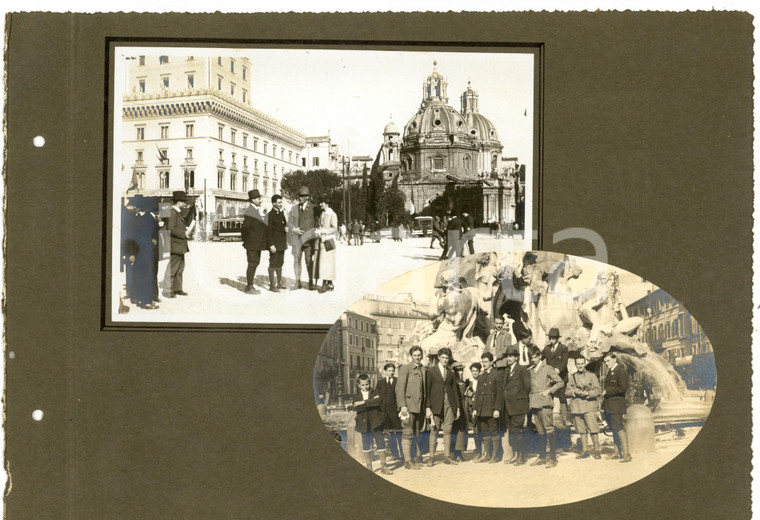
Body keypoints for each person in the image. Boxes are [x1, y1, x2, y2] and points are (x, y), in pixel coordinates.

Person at [424, 347, 462, 466]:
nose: (445, 360)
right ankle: (431, 457)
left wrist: (458, 408)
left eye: (447, 358)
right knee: (434, 431)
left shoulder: (451, 372)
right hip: (436, 405)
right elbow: (427, 390)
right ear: (439, 357)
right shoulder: (431, 371)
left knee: (448, 430)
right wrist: (428, 407)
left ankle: (446, 456)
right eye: (443, 357)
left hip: (449, 404)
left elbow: (455, 390)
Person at [528, 345, 564, 468]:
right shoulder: (531, 370)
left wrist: (549, 391)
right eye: (530, 357)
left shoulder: (548, 368)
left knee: (549, 430)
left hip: (545, 403)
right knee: (540, 431)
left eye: (534, 357)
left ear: (539, 356)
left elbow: (560, 382)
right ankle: (542, 457)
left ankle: (553, 458)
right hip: (535, 404)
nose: (532, 360)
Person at [352, 374, 393, 475]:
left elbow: (378, 402)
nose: (365, 386)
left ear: (370, 383)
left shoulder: (375, 392)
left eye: (367, 384)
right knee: (366, 444)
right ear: (358, 385)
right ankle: (368, 466)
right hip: (364, 423)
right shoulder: (356, 396)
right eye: (363, 385)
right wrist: (370, 403)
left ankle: (384, 466)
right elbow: (357, 408)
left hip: (376, 422)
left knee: (380, 442)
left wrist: (363, 402)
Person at [498, 345, 531, 465]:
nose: (509, 358)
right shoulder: (506, 370)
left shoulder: (522, 370)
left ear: (516, 357)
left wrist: (520, 399)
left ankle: (521, 456)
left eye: (511, 356)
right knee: (512, 432)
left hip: (518, 406)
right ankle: (516, 455)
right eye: (507, 356)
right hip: (508, 407)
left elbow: (527, 387)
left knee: (518, 432)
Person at [566, 352, 602, 460]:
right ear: (576, 365)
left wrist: (588, 393)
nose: (580, 366)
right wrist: (574, 391)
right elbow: (567, 391)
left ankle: (597, 450)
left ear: (585, 363)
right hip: (577, 407)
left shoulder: (591, 375)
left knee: (593, 428)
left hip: (589, 405)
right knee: (581, 430)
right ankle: (585, 450)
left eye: (582, 363)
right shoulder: (572, 376)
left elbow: (598, 390)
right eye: (578, 364)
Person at [395, 345, 426, 470]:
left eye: (419, 355)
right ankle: (407, 461)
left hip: (420, 407)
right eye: (415, 355)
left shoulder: (424, 369)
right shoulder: (405, 368)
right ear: (411, 356)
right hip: (408, 406)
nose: (417, 357)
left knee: (417, 433)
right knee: (407, 433)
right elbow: (399, 389)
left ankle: (415, 459)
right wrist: (402, 405)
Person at [128, 195, 161, 309]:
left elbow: (155, 232)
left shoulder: (146, 218)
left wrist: (154, 239)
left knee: (145, 276)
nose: (134, 208)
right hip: (142, 252)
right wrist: (132, 253)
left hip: (146, 251)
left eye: (136, 206)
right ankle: (144, 301)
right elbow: (132, 237)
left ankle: (144, 300)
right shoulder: (138, 218)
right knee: (143, 276)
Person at [471, 351, 501, 463]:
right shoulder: (481, 376)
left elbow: (499, 393)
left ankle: (495, 455)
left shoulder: (497, 374)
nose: (484, 364)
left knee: (494, 431)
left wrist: (497, 409)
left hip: (492, 409)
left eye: (486, 362)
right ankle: (487, 454)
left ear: (491, 362)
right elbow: (478, 393)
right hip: (481, 409)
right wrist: (475, 409)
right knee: (485, 432)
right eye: (482, 362)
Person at [602, 351, 632, 462]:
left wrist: (607, 391)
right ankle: (617, 453)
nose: (606, 363)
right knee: (614, 428)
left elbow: (623, 388)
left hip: (616, 405)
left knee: (618, 427)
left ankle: (627, 454)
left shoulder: (620, 371)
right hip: (610, 405)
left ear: (614, 359)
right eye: (605, 362)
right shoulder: (612, 371)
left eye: (608, 361)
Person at [241, 189, 272, 295]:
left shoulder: (255, 210)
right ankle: (249, 286)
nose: (260, 200)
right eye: (259, 198)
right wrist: (248, 240)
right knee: (252, 263)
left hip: (255, 243)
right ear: (253, 200)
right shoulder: (250, 211)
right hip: (252, 244)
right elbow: (245, 228)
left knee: (254, 263)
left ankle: (250, 285)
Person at [542, 327, 572, 429]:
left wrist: (557, 371)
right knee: (549, 397)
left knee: (562, 398)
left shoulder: (563, 348)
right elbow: (540, 358)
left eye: (554, 338)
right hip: (550, 378)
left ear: (557, 338)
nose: (552, 340)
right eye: (550, 338)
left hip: (561, 377)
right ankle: (548, 420)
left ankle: (565, 420)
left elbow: (564, 362)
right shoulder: (546, 348)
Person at [289, 186, 317, 290]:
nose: (300, 198)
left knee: (309, 262)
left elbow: (317, 224)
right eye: (299, 196)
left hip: (309, 241)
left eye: (302, 196)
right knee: (296, 261)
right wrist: (294, 229)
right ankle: (298, 282)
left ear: (307, 197)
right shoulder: (294, 208)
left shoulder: (314, 208)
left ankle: (311, 281)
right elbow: (290, 222)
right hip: (297, 241)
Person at [375, 363, 402, 463]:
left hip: (395, 412)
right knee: (390, 434)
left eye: (392, 371)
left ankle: (403, 455)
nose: (391, 372)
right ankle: (394, 454)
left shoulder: (398, 381)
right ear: (385, 371)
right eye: (389, 370)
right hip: (385, 413)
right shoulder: (380, 383)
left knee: (399, 433)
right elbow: (377, 396)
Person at [166, 190, 190, 298]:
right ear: (178, 202)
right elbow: (170, 229)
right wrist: (183, 233)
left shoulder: (177, 212)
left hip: (179, 245)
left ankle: (177, 289)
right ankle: (168, 290)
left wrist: (185, 230)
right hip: (175, 245)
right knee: (172, 268)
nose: (185, 204)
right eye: (184, 202)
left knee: (180, 268)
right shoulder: (172, 212)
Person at [315, 200, 338, 293]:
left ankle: (325, 284)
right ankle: (330, 283)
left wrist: (322, 231)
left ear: (327, 204)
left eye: (322, 203)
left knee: (326, 263)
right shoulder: (322, 214)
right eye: (320, 202)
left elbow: (334, 228)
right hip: (322, 240)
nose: (320, 204)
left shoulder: (332, 214)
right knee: (324, 262)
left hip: (329, 241)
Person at [267, 194, 288, 291]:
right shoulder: (270, 215)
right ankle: (272, 285)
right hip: (274, 244)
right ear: (273, 203)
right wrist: (271, 244)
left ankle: (279, 282)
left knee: (280, 262)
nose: (280, 204)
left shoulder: (281, 213)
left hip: (282, 244)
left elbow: (284, 224)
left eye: (281, 202)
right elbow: (268, 231)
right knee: (273, 263)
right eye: (279, 202)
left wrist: (286, 228)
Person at [450, 362, 468, 462]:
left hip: (463, 409)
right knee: (456, 431)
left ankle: (459, 452)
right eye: (458, 371)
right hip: (456, 409)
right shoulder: (454, 383)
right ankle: (455, 453)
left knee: (462, 431)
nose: (460, 373)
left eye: (461, 370)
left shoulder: (463, 383)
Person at [464, 362, 483, 458]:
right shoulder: (468, 382)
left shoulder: (482, 379)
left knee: (482, 428)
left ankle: (484, 451)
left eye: (476, 371)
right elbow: (465, 394)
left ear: (479, 371)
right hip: (471, 407)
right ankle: (478, 450)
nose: (475, 373)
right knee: (475, 428)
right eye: (473, 371)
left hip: (481, 406)